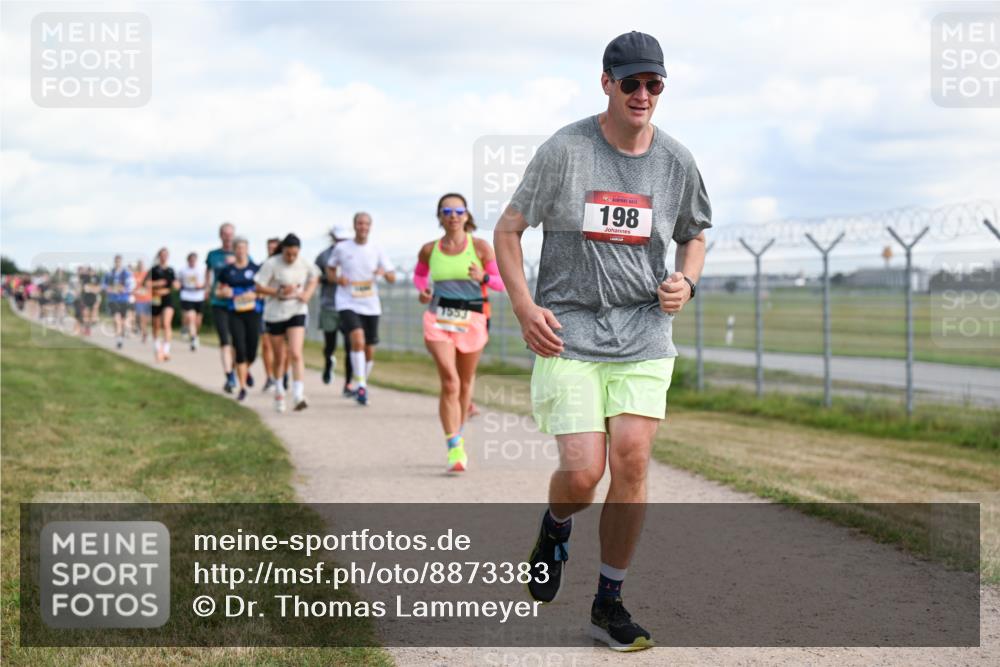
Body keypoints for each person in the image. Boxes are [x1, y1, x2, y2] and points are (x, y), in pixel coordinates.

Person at [493, 32, 711, 652]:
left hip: (644, 329)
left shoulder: (676, 159)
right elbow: (507, 232)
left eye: (655, 84)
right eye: (632, 82)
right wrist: (524, 305)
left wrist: (686, 282)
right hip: (570, 330)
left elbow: (694, 232)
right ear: (607, 82)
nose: (643, 94)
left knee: (634, 461)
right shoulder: (566, 150)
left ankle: (608, 603)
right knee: (585, 473)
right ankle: (555, 526)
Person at [414, 193, 505, 472]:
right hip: (438, 318)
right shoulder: (429, 249)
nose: (453, 215)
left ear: (466, 216)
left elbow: (502, 283)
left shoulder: (480, 248)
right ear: (440, 217)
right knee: (450, 381)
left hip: (472, 320)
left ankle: (459, 435)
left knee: (465, 383)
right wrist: (423, 291)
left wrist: (484, 278)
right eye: (446, 211)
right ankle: (453, 445)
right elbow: (419, 276)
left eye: (458, 210)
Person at [327, 212, 396, 406]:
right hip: (347, 301)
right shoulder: (342, 248)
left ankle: (360, 382)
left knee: (369, 349)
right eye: (359, 223)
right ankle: (362, 385)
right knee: (357, 338)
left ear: (370, 226)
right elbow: (330, 270)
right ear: (354, 225)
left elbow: (392, 277)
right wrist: (337, 279)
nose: (363, 227)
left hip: (370, 303)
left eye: (366, 223)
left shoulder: (377, 249)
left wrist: (384, 273)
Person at [254, 234, 320, 412]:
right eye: (288, 254)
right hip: (275, 313)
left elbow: (315, 278)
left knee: (295, 352)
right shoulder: (272, 264)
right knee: (279, 356)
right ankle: (279, 391)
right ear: (282, 250)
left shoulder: (304, 263)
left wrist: (307, 294)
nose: (291, 258)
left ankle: (298, 395)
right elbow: (258, 286)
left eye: (294, 254)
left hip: (296, 310)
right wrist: (277, 291)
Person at [216, 238, 262, 402]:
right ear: (234, 251)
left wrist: (256, 294)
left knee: (253, 351)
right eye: (238, 248)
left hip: (253, 311)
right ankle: (242, 387)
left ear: (247, 250)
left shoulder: (256, 269)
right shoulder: (227, 271)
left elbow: (264, 290)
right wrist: (224, 293)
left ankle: (245, 370)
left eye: (244, 248)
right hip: (234, 313)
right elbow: (218, 291)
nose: (241, 251)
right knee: (239, 348)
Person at [315, 225, 354, 392]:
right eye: (339, 240)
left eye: (344, 240)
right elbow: (315, 278)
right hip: (329, 305)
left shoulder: (353, 254)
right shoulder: (323, 256)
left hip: (349, 305)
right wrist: (331, 278)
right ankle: (328, 362)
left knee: (350, 346)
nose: (341, 243)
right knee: (330, 344)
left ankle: (348, 383)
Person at [206, 222, 238, 392]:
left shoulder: (241, 254)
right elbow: (208, 272)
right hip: (218, 303)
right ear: (220, 235)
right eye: (225, 234)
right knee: (225, 340)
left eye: (230, 234)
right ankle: (229, 376)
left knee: (238, 343)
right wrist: (207, 288)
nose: (228, 237)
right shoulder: (213, 255)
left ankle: (239, 369)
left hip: (237, 304)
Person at [146, 248, 179, 362]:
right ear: (159, 256)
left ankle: (166, 350)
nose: (164, 257)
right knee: (156, 326)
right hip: (156, 298)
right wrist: (157, 283)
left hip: (167, 298)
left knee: (166, 323)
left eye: (166, 255)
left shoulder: (171, 270)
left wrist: (177, 285)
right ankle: (157, 348)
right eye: (162, 255)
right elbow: (146, 283)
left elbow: (175, 283)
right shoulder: (154, 270)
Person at [260, 237, 282, 393]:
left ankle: (281, 375)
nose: (271, 251)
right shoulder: (263, 267)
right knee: (266, 344)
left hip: (285, 311)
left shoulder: (287, 266)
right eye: (269, 248)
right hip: (266, 310)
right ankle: (270, 377)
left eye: (275, 248)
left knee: (283, 348)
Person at [103, 255, 134, 349]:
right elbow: (104, 284)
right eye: (116, 261)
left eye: (119, 261)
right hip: (113, 299)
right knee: (116, 320)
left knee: (123, 321)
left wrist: (124, 289)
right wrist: (108, 289)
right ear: (114, 262)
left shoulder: (126, 273)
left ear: (121, 262)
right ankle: (119, 340)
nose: (117, 263)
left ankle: (121, 335)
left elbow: (131, 286)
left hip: (123, 299)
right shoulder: (109, 273)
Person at [178, 252, 205, 351]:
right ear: (188, 260)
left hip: (199, 296)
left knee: (198, 321)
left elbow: (206, 282)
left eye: (194, 260)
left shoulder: (201, 270)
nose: (192, 262)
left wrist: (201, 286)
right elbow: (178, 282)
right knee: (191, 317)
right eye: (191, 260)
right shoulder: (182, 270)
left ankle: (195, 336)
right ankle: (193, 338)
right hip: (187, 295)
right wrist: (178, 285)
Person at [132, 260, 152, 343]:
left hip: (148, 299)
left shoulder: (147, 275)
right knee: (141, 317)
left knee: (147, 319)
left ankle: (142, 329)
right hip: (138, 299)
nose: (140, 266)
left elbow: (150, 286)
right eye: (139, 265)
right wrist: (135, 292)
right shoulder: (134, 275)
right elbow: (131, 286)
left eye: (142, 265)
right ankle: (144, 334)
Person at [79, 266, 101, 335]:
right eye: (90, 271)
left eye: (92, 270)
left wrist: (92, 289)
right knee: (86, 314)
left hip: (94, 298)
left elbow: (98, 289)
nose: (91, 272)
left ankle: (88, 327)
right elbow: (86, 288)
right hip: (86, 298)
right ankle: (86, 329)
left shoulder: (97, 278)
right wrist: (93, 289)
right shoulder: (85, 278)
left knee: (93, 314)